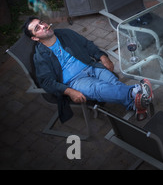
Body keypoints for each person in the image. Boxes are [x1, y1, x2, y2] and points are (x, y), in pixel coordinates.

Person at [23, 16, 153, 121]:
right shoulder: (40, 56)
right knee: (99, 88)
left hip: (91, 66)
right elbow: (46, 82)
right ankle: (136, 91)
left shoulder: (65, 34)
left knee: (112, 82)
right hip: (74, 81)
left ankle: (135, 104)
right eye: (37, 28)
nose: (43, 26)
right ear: (35, 38)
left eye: (41, 22)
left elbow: (86, 45)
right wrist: (69, 91)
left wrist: (103, 57)